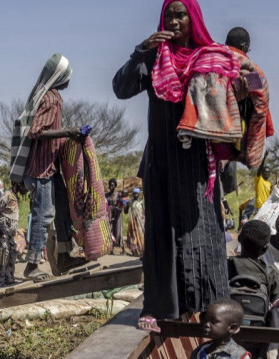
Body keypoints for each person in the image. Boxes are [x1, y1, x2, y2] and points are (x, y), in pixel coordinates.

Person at [113, 0, 240, 332]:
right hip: (162, 161)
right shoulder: (154, 58)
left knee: (204, 233)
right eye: (169, 13)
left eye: (180, 13)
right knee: (162, 233)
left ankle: (208, 305)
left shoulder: (209, 57)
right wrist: (140, 50)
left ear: (193, 18)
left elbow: (237, 91)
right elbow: (121, 88)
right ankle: (159, 307)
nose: (173, 19)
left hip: (198, 164)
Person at [8, 53, 83, 282]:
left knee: (61, 206)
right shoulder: (51, 98)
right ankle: (32, 265)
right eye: (67, 75)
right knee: (43, 216)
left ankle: (63, 255)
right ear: (59, 76)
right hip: (41, 170)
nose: (70, 79)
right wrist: (68, 132)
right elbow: (36, 131)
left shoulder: (49, 95)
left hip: (48, 168)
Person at [228, 220, 279, 358]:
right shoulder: (269, 273)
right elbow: (275, 306)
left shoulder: (228, 265)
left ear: (239, 239)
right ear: (266, 248)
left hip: (228, 332)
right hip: (258, 337)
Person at [225, 27, 273, 169]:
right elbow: (261, 109)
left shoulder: (213, 61)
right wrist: (253, 153)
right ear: (244, 46)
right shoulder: (253, 72)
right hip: (234, 131)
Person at [0, 188, 20, 288]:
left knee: (11, 256)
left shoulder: (15, 196)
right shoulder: (7, 194)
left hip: (10, 235)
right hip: (2, 233)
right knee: (1, 257)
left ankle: (9, 279)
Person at [124, 188, 145, 257]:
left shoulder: (141, 202)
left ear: (139, 194)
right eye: (134, 193)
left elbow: (144, 212)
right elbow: (125, 212)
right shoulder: (130, 202)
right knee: (133, 236)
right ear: (132, 194)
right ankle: (134, 251)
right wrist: (125, 205)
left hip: (140, 223)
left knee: (141, 236)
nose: (135, 195)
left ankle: (141, 250)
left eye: (136, 193)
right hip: (132, 222)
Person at [106, 178, 125, 254]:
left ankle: (123, 249)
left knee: (118, 230)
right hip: (109, 214)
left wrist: (120, 208)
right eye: (110, 185)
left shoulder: (119, 194)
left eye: (113, 185)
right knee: (110, 230)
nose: (111, 186)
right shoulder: (106, 195)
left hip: (117, 214)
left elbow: (123, 203)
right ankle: (111, 249)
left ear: (115, 185)